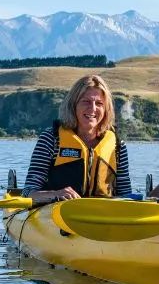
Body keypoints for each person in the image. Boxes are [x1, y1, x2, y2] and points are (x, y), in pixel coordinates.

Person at [22, 75, 131, 204]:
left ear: (106, 109)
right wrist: (56, 194)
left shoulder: (118, 146)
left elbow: (126, 195)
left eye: (99, 103)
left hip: (102, 215)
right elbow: (28, 192)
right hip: (55, 214)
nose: (93, 108)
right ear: (73, 105)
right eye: (86, 101)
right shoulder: (51, 138)